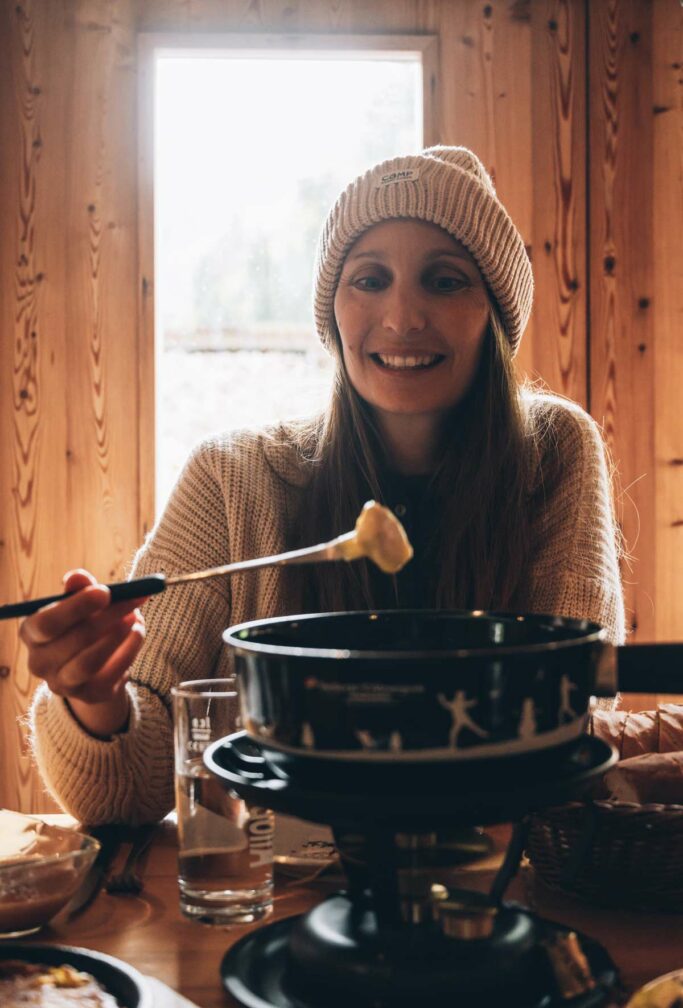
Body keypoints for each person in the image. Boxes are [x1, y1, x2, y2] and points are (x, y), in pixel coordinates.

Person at [22, 146, 625, 824]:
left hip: (487, 885)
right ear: (331, 310)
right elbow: (125, 793)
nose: (401, 317)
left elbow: (573, 723)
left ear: (495, 316)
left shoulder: (552, 455)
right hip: (277, 898)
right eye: (368, 279)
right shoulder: (231, 477)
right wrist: (93, 697)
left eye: (446, 280)